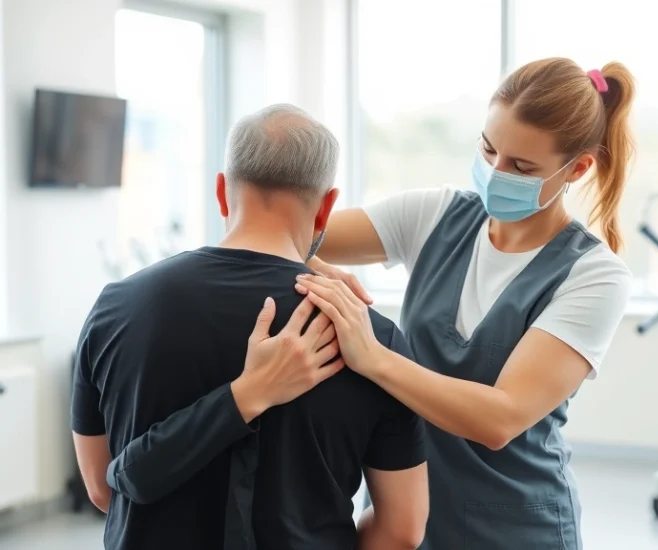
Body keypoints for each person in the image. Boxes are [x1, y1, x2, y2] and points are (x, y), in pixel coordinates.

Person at [291, 57, 635, 549]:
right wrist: (319, 268)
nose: (496, 173)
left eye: (521, 166)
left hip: (516, 529)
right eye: (489, 149)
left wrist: (374, 357)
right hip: (405, 521)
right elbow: (288, 231)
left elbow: (500, 418)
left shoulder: (594, 276)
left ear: (576, 169)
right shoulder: (435, 215)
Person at [71, 104, 428, 550]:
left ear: (222, 191)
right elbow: (402, 530)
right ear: (326, 209)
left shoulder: (116, 306)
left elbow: (103, 488)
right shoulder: (368, 336)